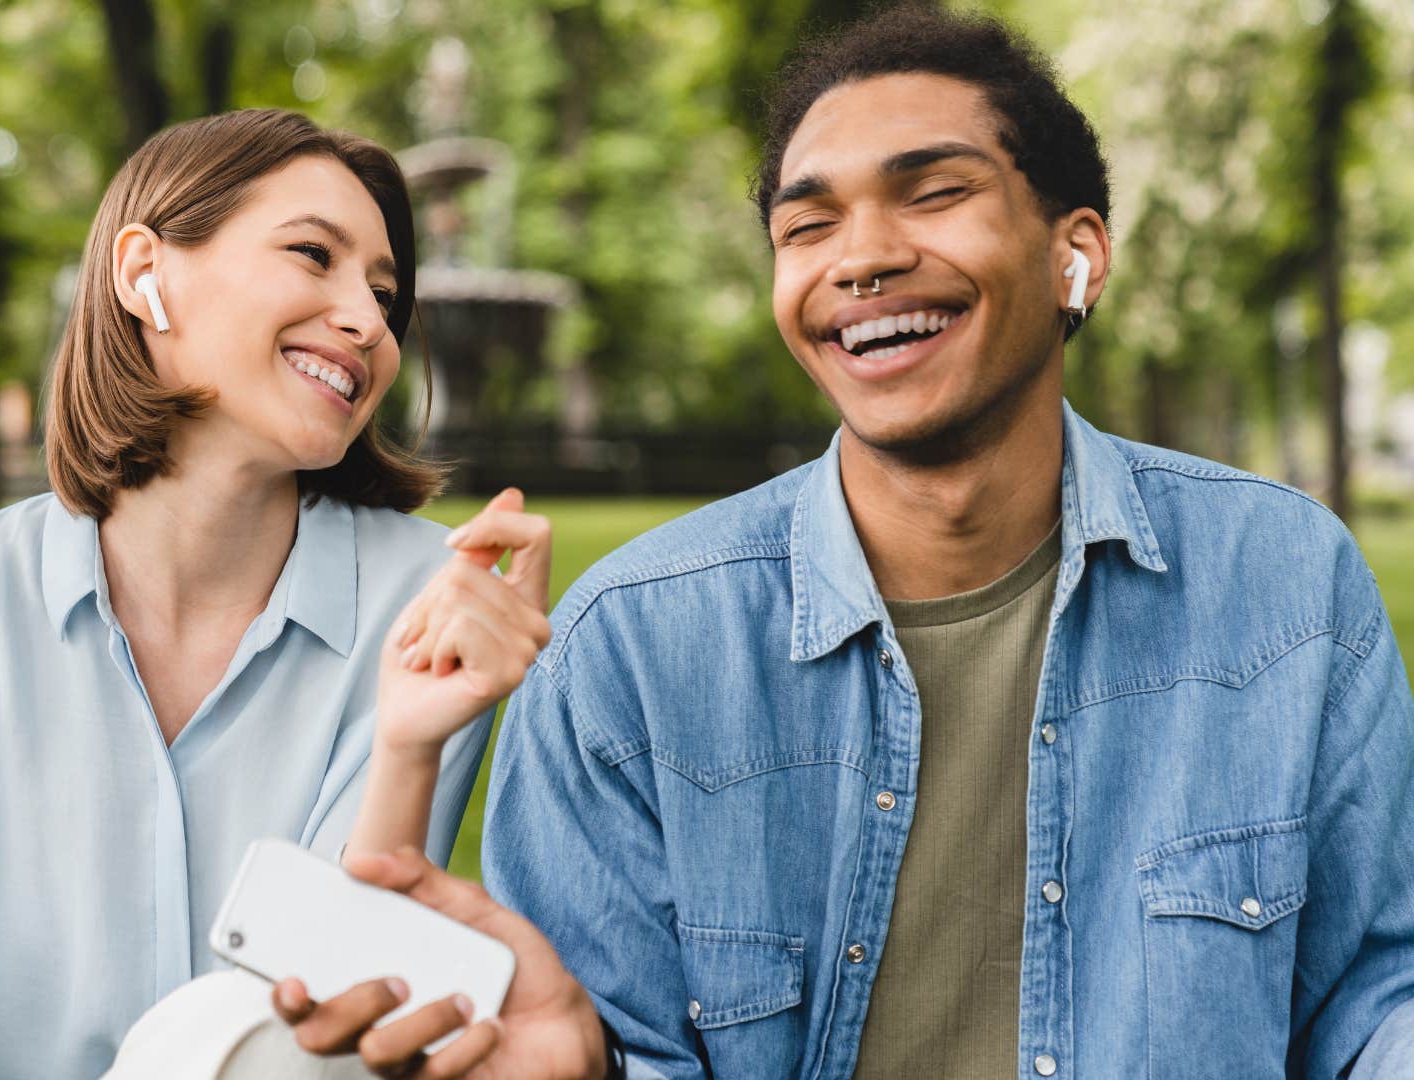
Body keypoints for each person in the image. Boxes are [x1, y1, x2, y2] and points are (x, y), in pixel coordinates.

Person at [465, 8, 1414, 1079]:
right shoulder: (630, 648)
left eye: (935, 192)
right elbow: (606, 1047)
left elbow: (1374, 1006)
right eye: (808, 226)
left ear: (1077, 255)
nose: (862, 257)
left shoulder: (1287, 581)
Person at [0, 108, 558, 1079]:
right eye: (314, 255)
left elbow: (324, 1029)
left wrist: (406, 746)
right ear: (146, 274)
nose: (367, 320)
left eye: (385, 292)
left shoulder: (429, 598)